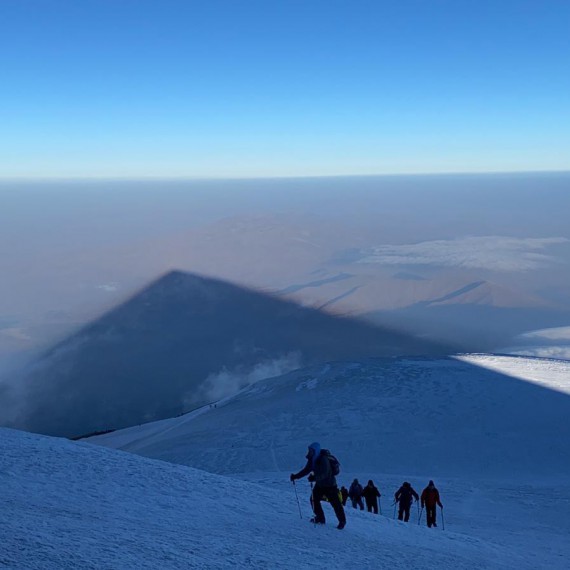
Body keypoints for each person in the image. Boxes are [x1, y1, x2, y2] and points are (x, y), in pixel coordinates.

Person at [290, 442, 346, 529]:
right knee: (314, 499)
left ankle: (342, 521)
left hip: (330, 485)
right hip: (320, 485)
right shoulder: (312, 459)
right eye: (309, 450)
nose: (309, 452)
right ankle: (320, 518)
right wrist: (296, 476)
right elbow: (306, 470)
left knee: (336, 504)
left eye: (311, 450)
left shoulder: (323, 459)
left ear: (315, 451)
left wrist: (314, 478)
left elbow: (325, 474)